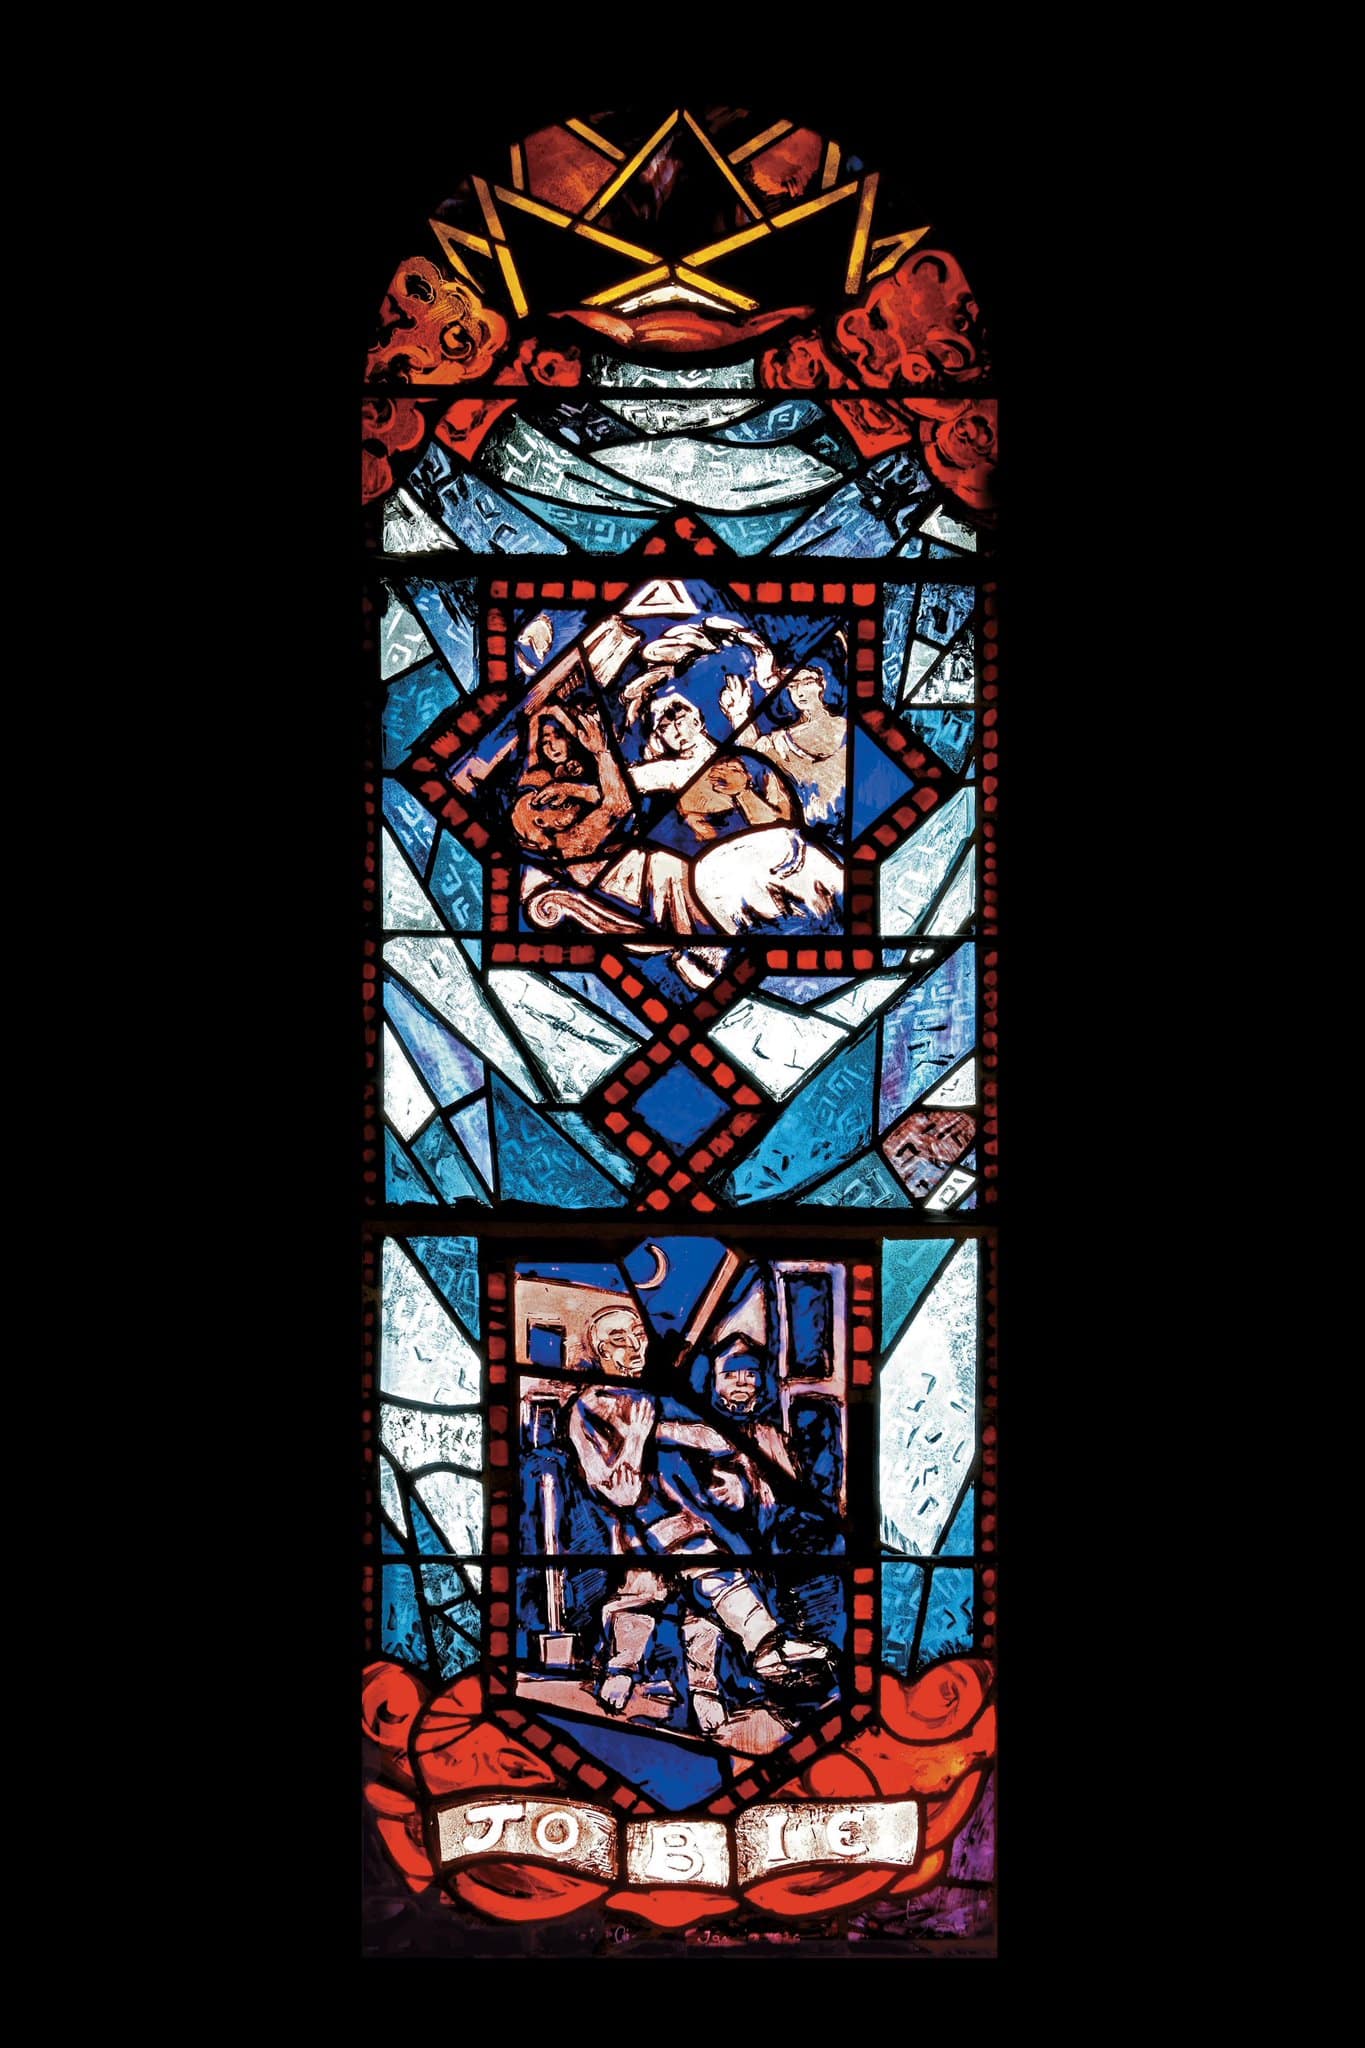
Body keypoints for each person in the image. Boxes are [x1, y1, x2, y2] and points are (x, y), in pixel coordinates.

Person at [565, 1303, 832, 1735]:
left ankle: (711, 1687)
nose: (634, 1347)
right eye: (619, 1340)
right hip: (640, 1527)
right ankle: (633, 1669)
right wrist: (637, 1437)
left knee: (701, 1603)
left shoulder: (656, 1396)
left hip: (686, 1518)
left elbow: (709, 1437)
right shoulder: (587, 1410)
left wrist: (673, 1433)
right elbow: (620, 1491)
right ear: (600, 1351)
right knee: (648, 1593)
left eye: (638, 1335)